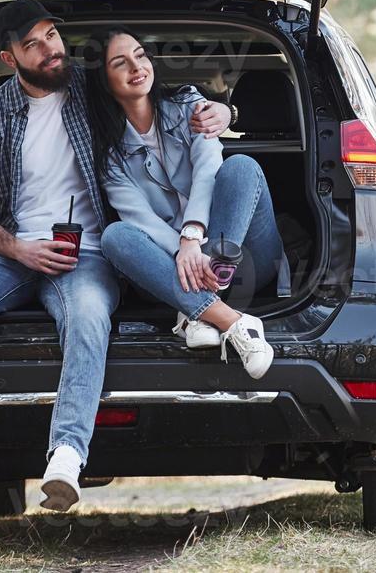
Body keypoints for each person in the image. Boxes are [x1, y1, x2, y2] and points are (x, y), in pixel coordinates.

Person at [0, 0, 232, 515]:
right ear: (10, 58)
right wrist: (18, 247)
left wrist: (221, 110)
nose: (50, 49)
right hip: (12, 253)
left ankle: (66, 455)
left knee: (87, 316)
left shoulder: (93, 89)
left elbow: (162, 96)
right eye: (33, 44)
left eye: (52, 35)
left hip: (91, 253)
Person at [83, 25, 285, 377]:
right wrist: (181, 252)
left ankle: (195, 310)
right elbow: (138, 217)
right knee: (117, 235)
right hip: (171, 275)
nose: (136, 67)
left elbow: (209, 169)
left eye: (140, 56)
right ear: (104, 80)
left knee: (241, 167)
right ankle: (233, 322)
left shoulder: (189, 106)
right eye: (120, 63)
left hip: (238, 262)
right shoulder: (107, 153)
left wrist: (193, 238)